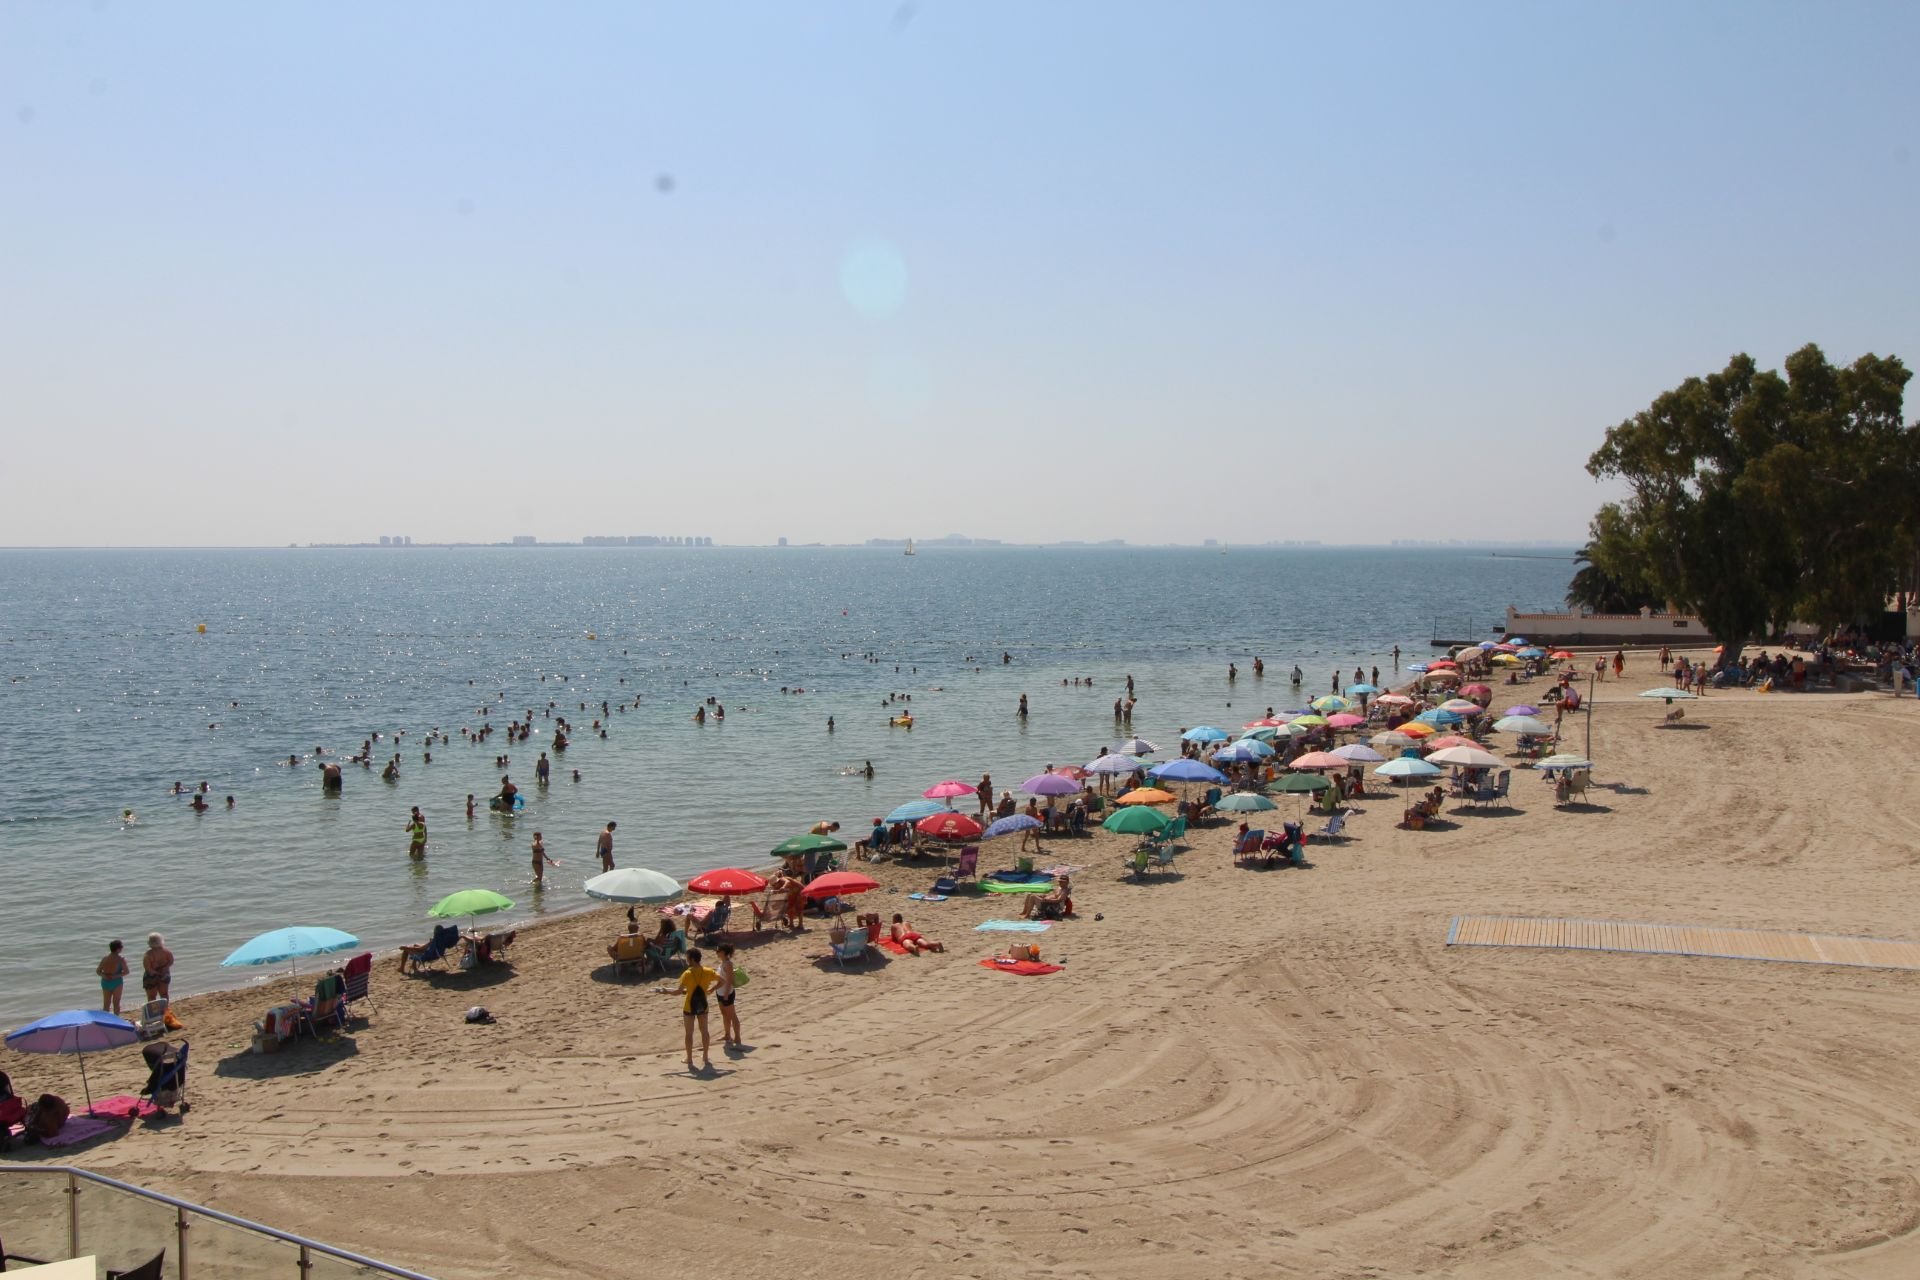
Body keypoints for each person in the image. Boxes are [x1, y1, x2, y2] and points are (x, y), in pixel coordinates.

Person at [679, 947, 719, 1072]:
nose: (686, 960)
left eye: (687, 958)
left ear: (692, 959)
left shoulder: (687, 974)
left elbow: (678, 991)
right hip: (703, 1004)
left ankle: (689, 1058)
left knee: (689, 1033)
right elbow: (722, 980)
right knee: (704, 1031)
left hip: (689, 1006)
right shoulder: (708, 971)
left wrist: (665, 991)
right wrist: (711, 990)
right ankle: (705, 1056)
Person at [714, 943, 743, 1049]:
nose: (717, 952)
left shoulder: (728, 964)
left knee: (732, 1015)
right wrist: (713, 989)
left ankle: (737, 1037)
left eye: (718, 951)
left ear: (724, 952)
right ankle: (727, 1035)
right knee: (724, 1014)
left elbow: (730, 980)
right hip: (720, 992)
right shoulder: (722, 964)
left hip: (727, 993)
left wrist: (726, 994)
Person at [97, 940, 128, 1015]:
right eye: (121, 947)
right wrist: (115, 976)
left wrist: (104, 975)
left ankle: (105, 1020)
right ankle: (116, 1019)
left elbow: (98, 971)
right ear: (118, 949)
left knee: (106, 1003)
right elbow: (126, 972)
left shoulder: (105, 958)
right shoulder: (121, 959)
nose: (122, 948)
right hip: (116, 982)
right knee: (116, 1003)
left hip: (105, 981)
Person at [142, 933, 173, 1002]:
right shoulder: (167, 952)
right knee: (164, 994)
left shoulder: (148, 955)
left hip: (151, 976)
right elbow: (171, 961)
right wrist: (164, 968)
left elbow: (148, 969)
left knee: (152, 997)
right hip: (164, 974)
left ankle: (154, 1008)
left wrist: (156, 973)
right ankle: (165, 1008)